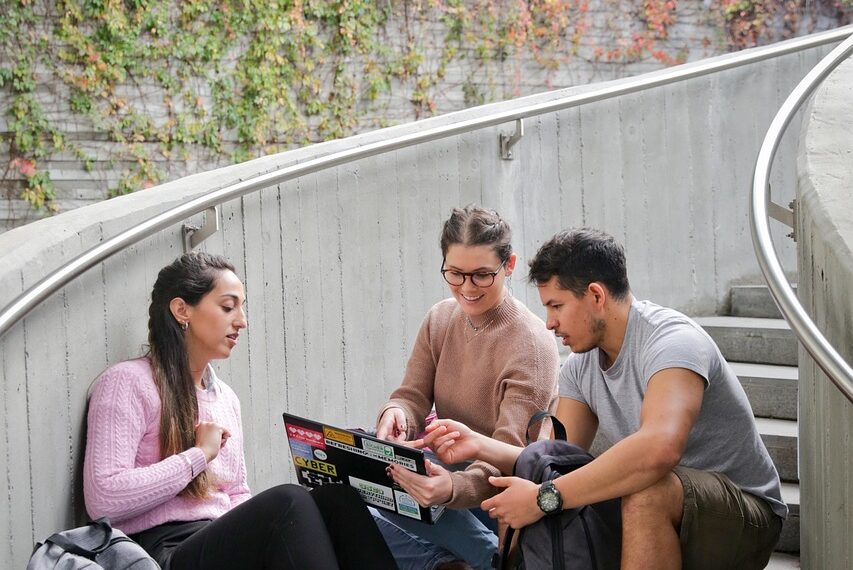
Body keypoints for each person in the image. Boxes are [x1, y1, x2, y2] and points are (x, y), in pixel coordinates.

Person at [419, 228, 787, 570]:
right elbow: (555, 458)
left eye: (557, 306)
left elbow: (659, 450)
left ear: (595, 295)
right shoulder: (581, 366)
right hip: (659, 508)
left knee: (647, 490)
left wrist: (543, 498)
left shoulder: (672, 342)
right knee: (530, 473)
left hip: (742, 516)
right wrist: (479, 446)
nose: (549, 322)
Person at [84, 252, 397, 570]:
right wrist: (198, 456)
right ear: (182, 310)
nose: (242, 321)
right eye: (227, 306)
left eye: (241, 307)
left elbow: (236, 493)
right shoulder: (128, 382)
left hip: (218, 540)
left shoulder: (225, 399)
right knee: (289, 501)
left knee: (337, 500)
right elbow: (103, 499)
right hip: (160, 552)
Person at [374, 205, 560, 570]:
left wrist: (451, 489)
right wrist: (396, 415)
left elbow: (509, 455)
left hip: (496, 493)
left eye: (481, 276)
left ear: (509, 265)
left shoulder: (532, 344)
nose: (466, 288)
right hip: (441, 475)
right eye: (455, 274)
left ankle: (493, 557)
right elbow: (411, 396)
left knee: (381, 500)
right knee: (344, 485)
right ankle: (449, 565)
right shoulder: (441, 318)